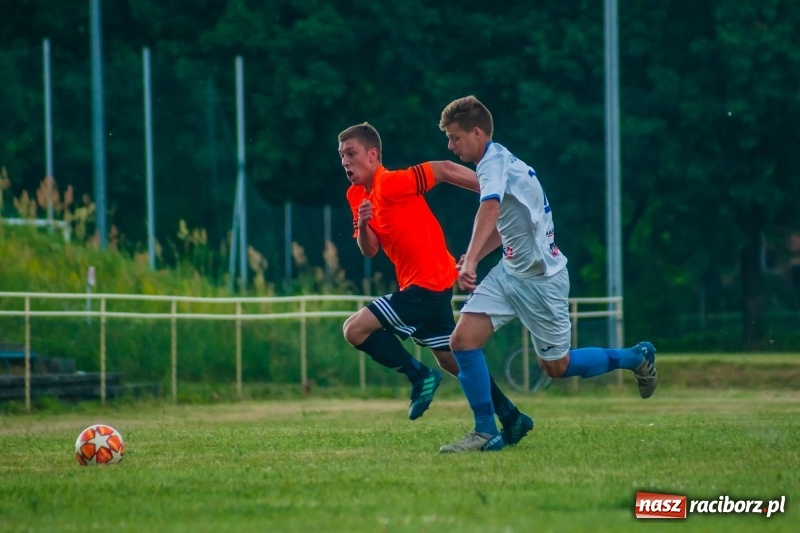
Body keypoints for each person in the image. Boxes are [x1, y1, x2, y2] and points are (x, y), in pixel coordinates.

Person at [437, 96, 657, 453]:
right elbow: (508, 225)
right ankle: (484, 431)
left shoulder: (493, 163)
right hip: (509, 274)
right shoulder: (499, 161)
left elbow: (489, 209)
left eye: (454, 137)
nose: (451, 145)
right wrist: (477, 254)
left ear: (477, 133)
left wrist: (473, 260)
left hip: (541, 281)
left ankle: (636, 357)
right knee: (461, 341)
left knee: (556, 366)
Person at [338, 122, 532, 449]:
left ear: (372, 155)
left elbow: (442, 169)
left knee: (354, 329)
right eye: (342, 155)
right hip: (429, 285)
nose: (345, 161)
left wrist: (491, 188)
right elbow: (369, 250)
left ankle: (419, 376)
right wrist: (365, 222)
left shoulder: (391, 182)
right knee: (454, 359)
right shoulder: (356, 195)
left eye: (351, 153)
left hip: (426, 286)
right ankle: (511, 416)